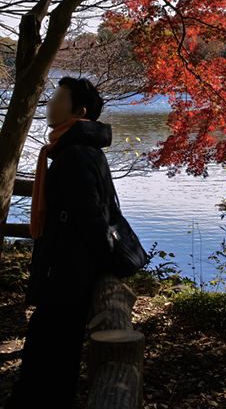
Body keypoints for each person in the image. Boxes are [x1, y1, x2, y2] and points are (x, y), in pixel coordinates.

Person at [5, 76, 117, 409]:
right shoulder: (74, 149)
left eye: (59, 98)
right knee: (56, 359)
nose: (50, 103)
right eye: (52, 96)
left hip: (66, 277)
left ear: (78, 111)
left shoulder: (73, 155)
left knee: (45, 359)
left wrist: (108, 261)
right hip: (68, 273)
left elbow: (92, 218)